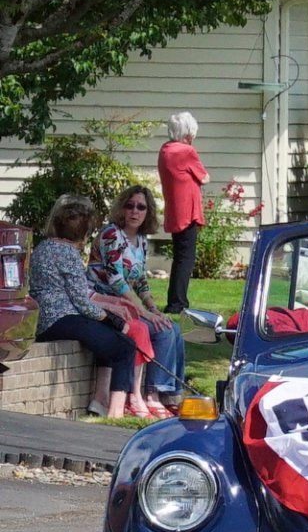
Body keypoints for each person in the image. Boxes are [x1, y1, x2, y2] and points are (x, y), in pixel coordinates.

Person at [28, 195, 138, 419]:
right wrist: (110, 319)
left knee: (108, 340)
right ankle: (115, 412)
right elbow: (82, 303)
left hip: (43, 319)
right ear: (85, 234)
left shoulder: (41, 248)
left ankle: (99, 402)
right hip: (61, 319)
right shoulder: (69, 254)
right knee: (124, 347)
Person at [92, 184, 187, 415]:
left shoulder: (142, 240)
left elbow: (140, 279)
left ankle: (169, 394)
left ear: (148, 212)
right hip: (105, 301)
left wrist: (153, 308)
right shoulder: (111, 234)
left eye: (141, 207)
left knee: (172, 327)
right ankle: (151, 395)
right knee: (160, 330)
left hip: (127, 302)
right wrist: (143, 313)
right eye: (130, 205)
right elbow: (116, 280)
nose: (135, 211)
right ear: (122, 208)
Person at [158, 111, 209, 312]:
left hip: (174, 210)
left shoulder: (165, 149)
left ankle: (175, 301)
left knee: (180, 257)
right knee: (186, 259)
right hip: (187, 212)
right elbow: (204, 177)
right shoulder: (186, 152)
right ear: (188, 133)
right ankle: (177, 303)